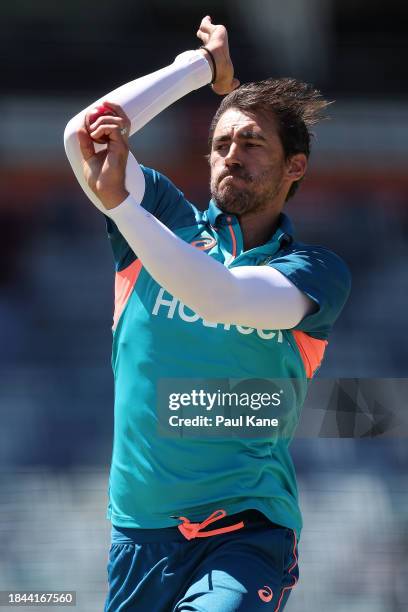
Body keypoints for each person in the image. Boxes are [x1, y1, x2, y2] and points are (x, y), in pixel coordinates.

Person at [64, 15, 351, 612]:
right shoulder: (165, 222)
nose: (231, 156)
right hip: (138, 538)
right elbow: (83, 136)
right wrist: (200, 70)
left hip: (246, 535)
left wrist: (122, 208)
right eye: (222, 144)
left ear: (294, 165)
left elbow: (222, 294)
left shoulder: (314, 270)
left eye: (252, 143)